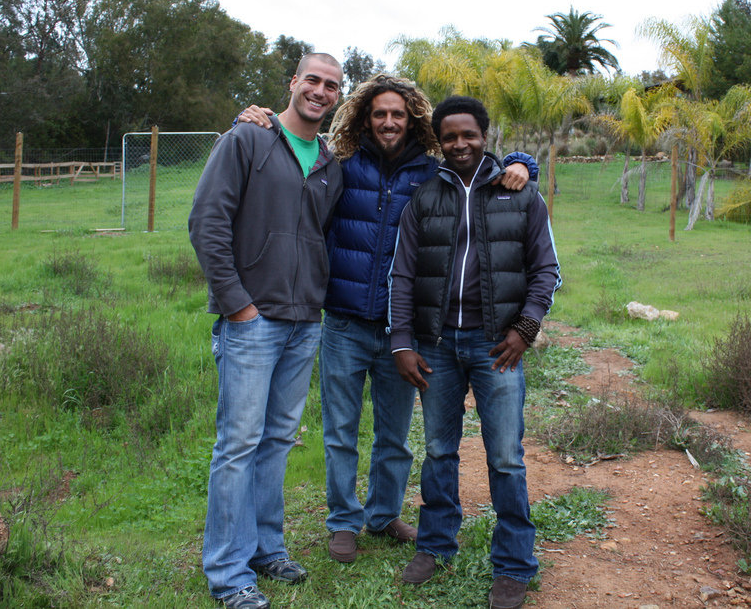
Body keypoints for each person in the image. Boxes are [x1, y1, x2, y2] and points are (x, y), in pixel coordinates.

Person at [235, 75, 538, 565]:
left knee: (394, 434)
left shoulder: (431, 171)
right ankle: (343, 521)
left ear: (413, 118)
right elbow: (292, 153)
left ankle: (383, 513)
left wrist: (525, 163)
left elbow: (483, 171)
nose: (389, 122)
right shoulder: (343, 166)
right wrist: (254, 121)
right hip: (345, 324)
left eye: (398, 114)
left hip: (407, 332)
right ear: (364, 118)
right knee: (340, 431)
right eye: (379, 114)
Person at [388, 95, 560, 609]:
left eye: (469, 134)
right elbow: (401, 273)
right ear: (439, 141)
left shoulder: (521, 194)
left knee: (505, 457)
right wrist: (402, 342)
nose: (460, 144)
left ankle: (513, 565)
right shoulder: (423, 198)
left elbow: (546, 270)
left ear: (485, 136)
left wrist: (524, 330)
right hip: (436, 346)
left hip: (497, 349)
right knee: (439, 449)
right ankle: (436, 543)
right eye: (450, 136)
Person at [188, 53, 344, 609]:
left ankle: (266, 549)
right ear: (293, 84)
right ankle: (229, 574)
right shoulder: (247, 140)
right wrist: (237, 306)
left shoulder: (329, 162)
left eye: (331, 85)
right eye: (313, 80)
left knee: (277, 441)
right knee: (237, 444)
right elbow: (207, 221)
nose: (320, 91)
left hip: (305, 323)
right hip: (253, 322)